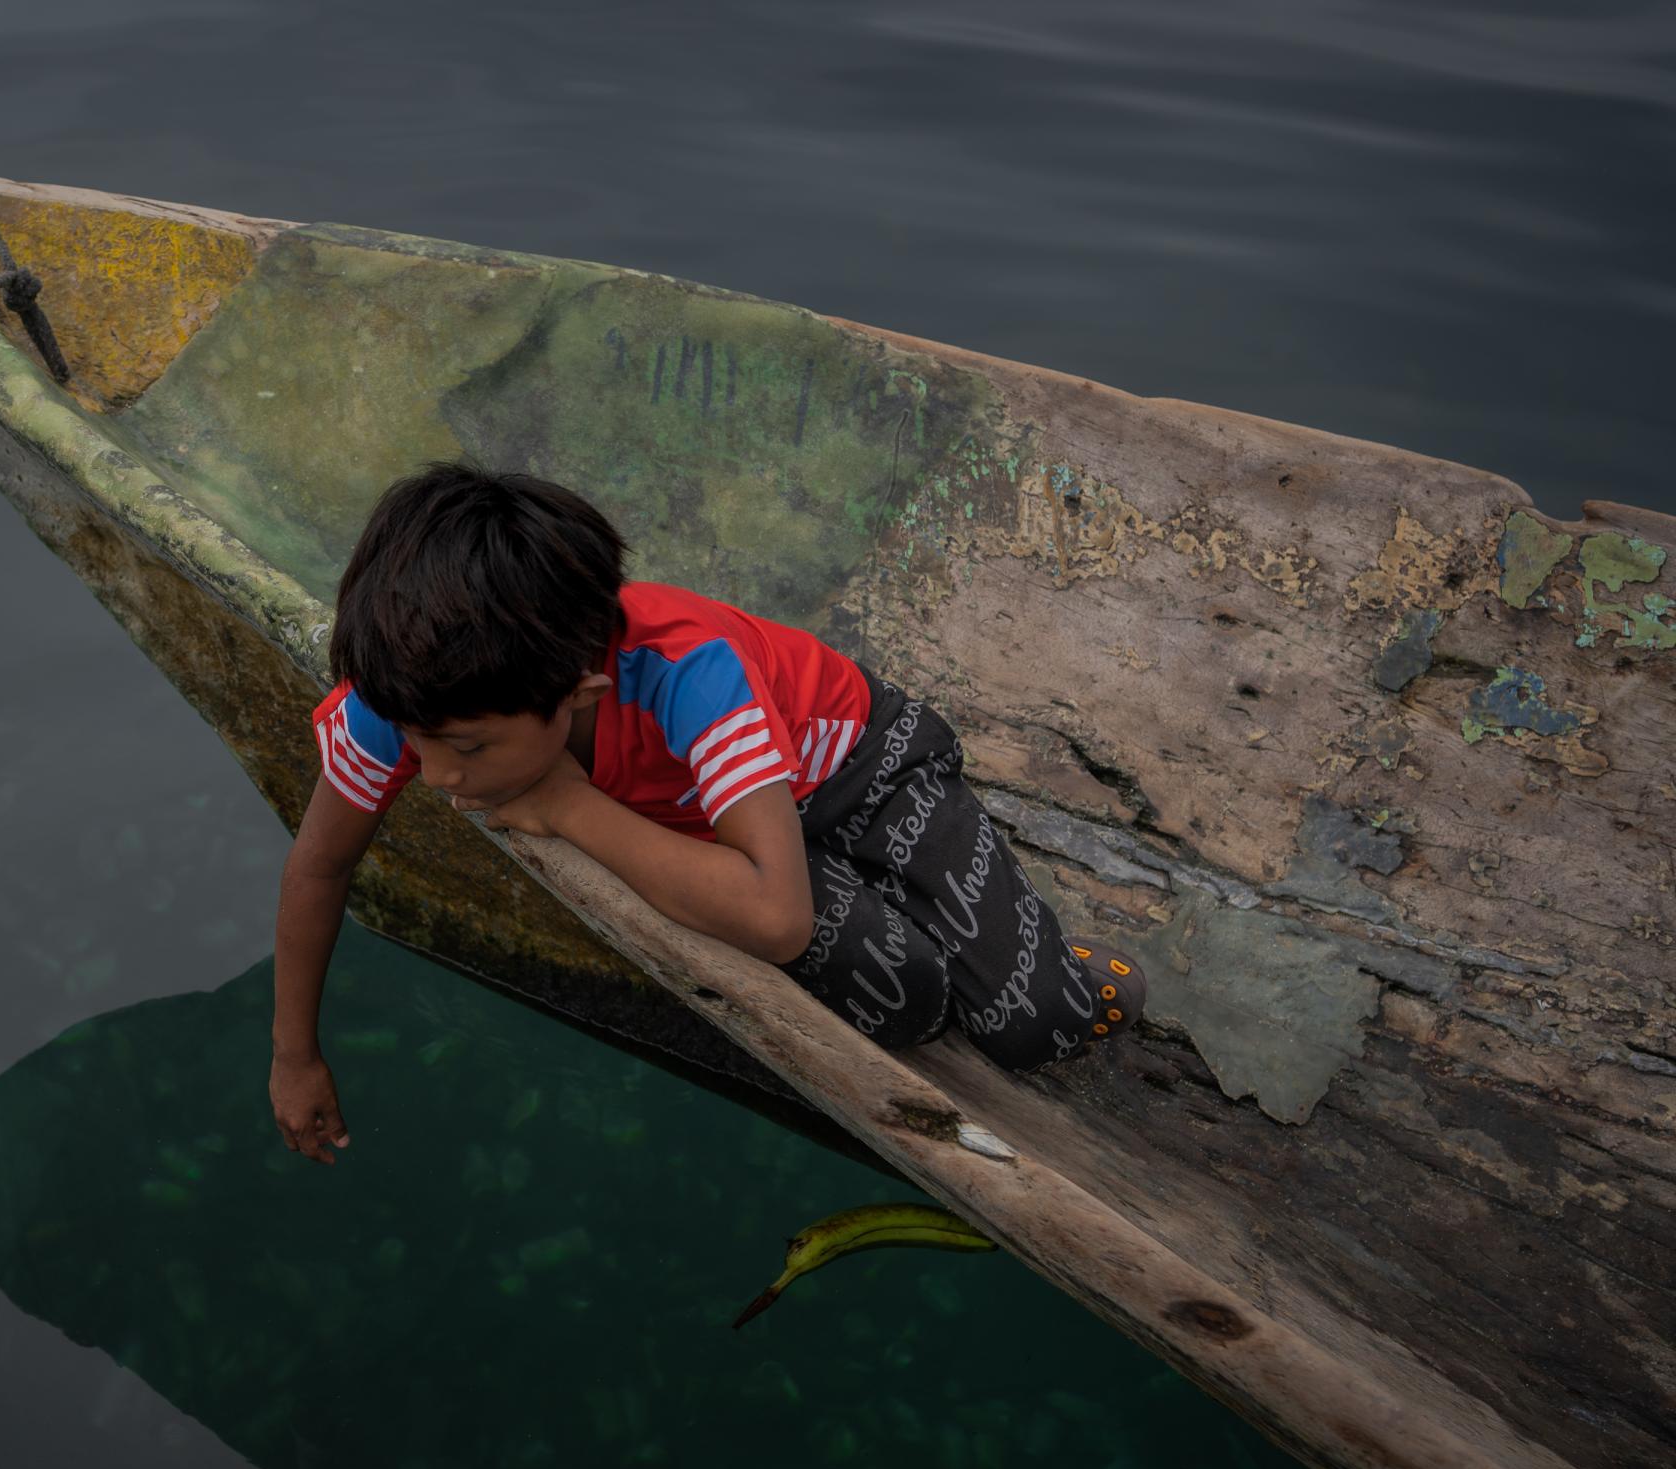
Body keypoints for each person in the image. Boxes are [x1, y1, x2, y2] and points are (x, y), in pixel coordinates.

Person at [268, 461, 1145, 1164]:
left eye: (469, 749)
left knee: (1033, 1026)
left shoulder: (693, 672)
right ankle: (863, 896)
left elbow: (775, 917)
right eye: (421, 742)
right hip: (736, 827)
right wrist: (293, 1055)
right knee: (908, 1002)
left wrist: (571, 807)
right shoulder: (406, 694)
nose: (435, 774)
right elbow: (320, 864)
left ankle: (1055, 962)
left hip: (861, 777)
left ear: (581, 693)